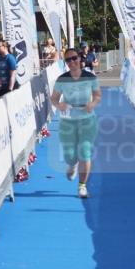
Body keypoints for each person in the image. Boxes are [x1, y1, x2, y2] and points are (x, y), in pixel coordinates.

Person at [51, 48, 102, 199]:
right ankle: (72, 164)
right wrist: (59, 105)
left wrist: (92, 104)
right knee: (70, 155)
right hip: (68, 122)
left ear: (80, 59)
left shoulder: (90, 77)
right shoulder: (62, 79)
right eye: (68, 60)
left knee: (85, 152)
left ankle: (82, 186)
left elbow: (98, 95)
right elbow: (54, 98)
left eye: (74, 58)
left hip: (87, 120)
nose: (72, 62)